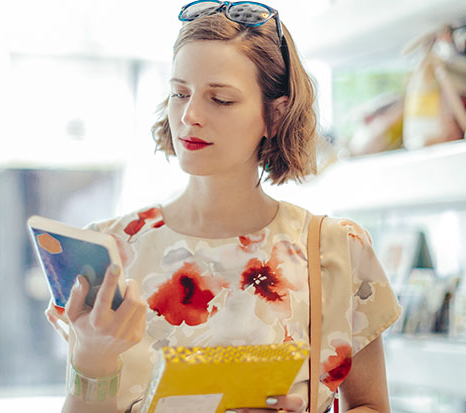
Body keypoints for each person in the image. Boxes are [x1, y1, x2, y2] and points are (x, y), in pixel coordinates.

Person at [45, 2, 401, 412]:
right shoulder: (109, 249)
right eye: (180, 93)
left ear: (275, 114)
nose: (190, 116)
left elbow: (372, 405)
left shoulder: (337, 250)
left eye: (221, 99)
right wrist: (91, 356)